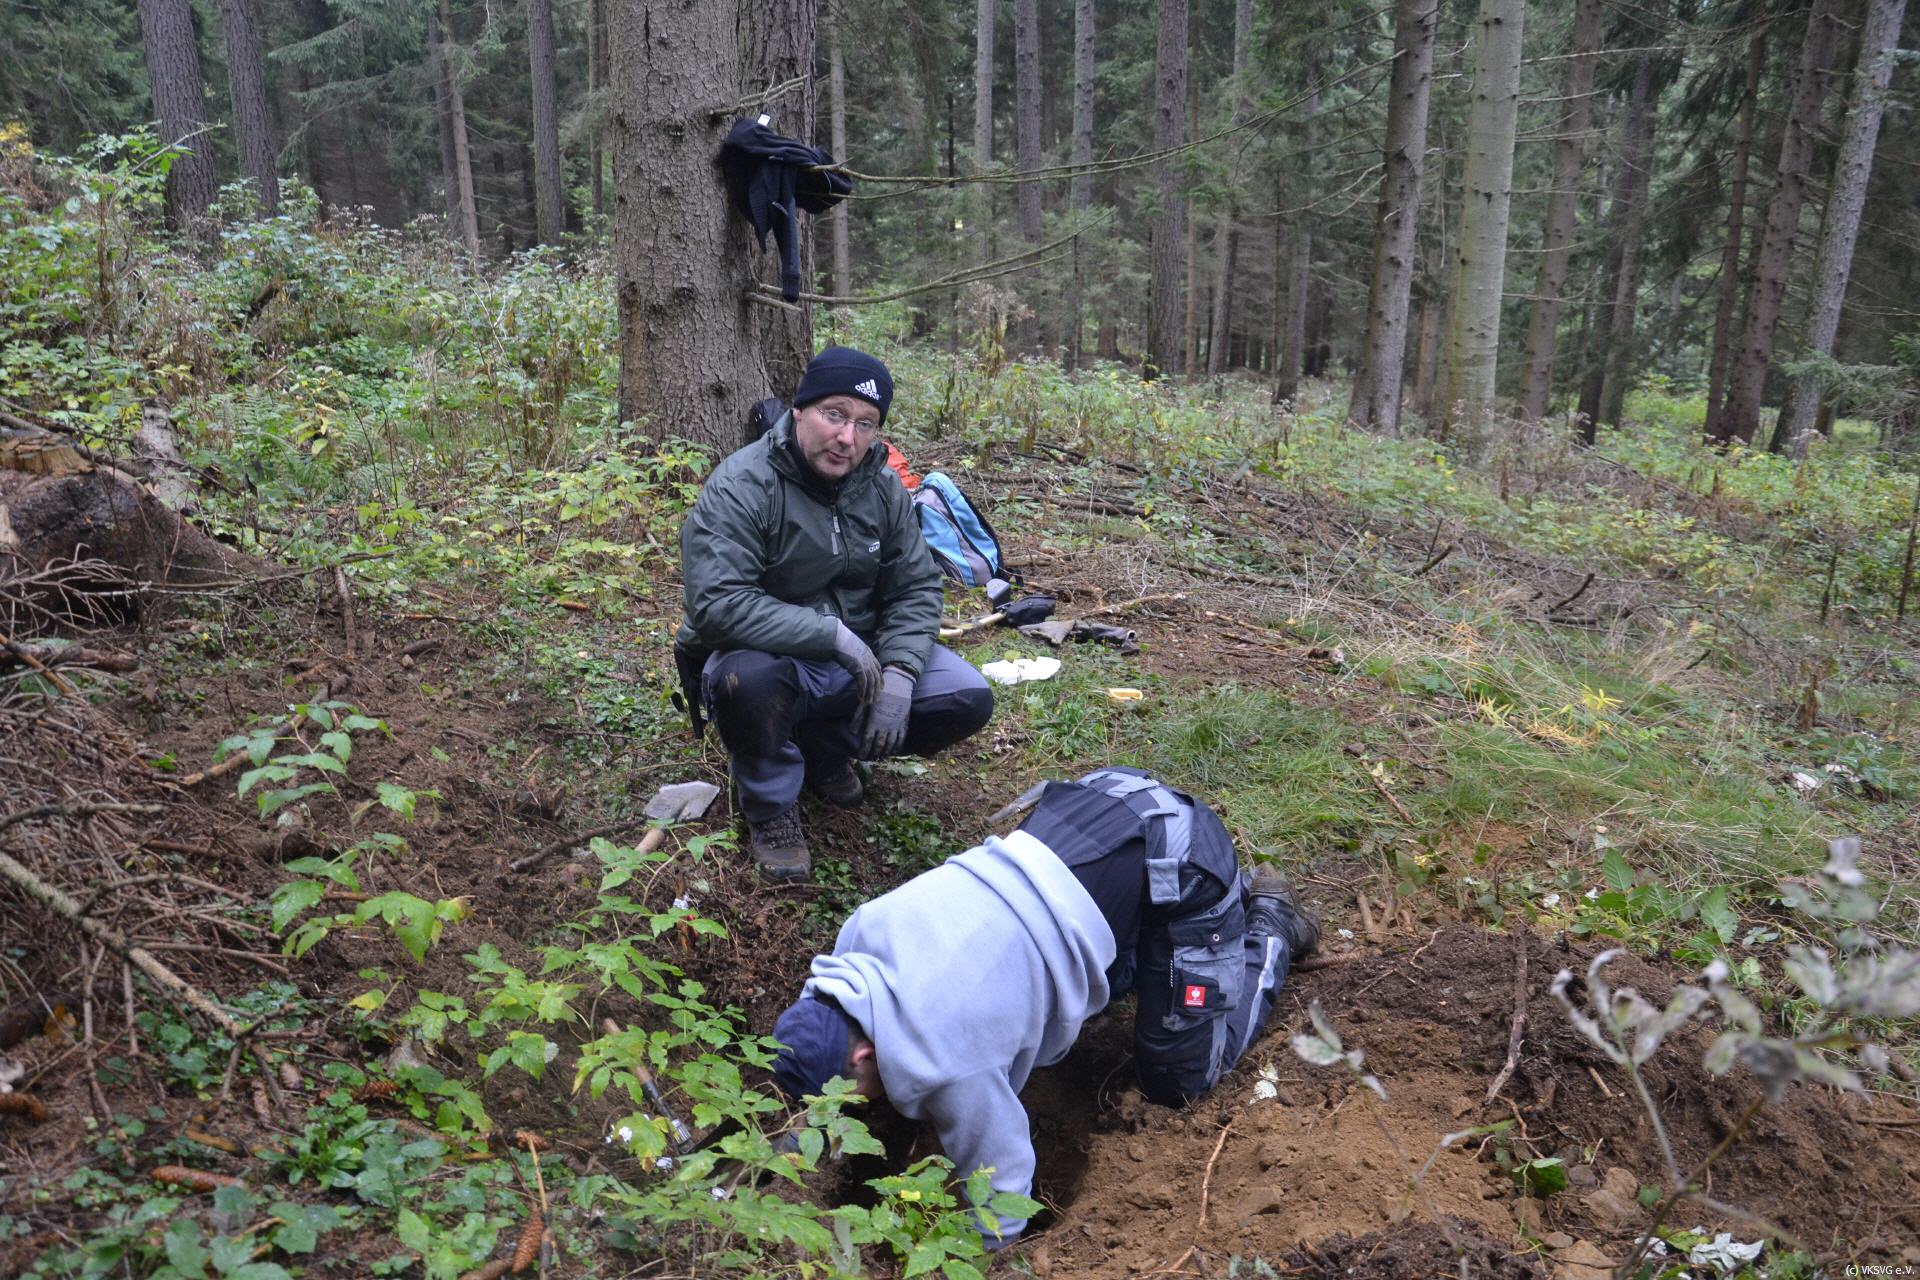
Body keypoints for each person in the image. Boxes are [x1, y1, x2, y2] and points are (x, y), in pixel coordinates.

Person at [766, 766, 1321, 1247]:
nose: (850, 1108)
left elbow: (1005, 1188)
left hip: (1177, 857)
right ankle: (1170, 952)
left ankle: (1269, 921)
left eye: (847, 1095)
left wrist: (980, 1258)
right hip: (1088, 809)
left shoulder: (948, 1058)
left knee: (1180, 1079)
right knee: (1108, 985)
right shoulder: (852, 947)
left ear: (865, 1054)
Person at [676, 347, 994, 881]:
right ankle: (771, 805)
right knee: (742, 681)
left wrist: (899, 672)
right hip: (773, 658)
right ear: (799, 410)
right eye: (835, 414)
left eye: (865, 423)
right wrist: (828, 635)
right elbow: (717, 606)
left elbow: (915, 585)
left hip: (863, 657)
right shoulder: (743, 485)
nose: (847, 438)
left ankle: (821, 749)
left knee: (964, 698)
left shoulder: (882, 485)